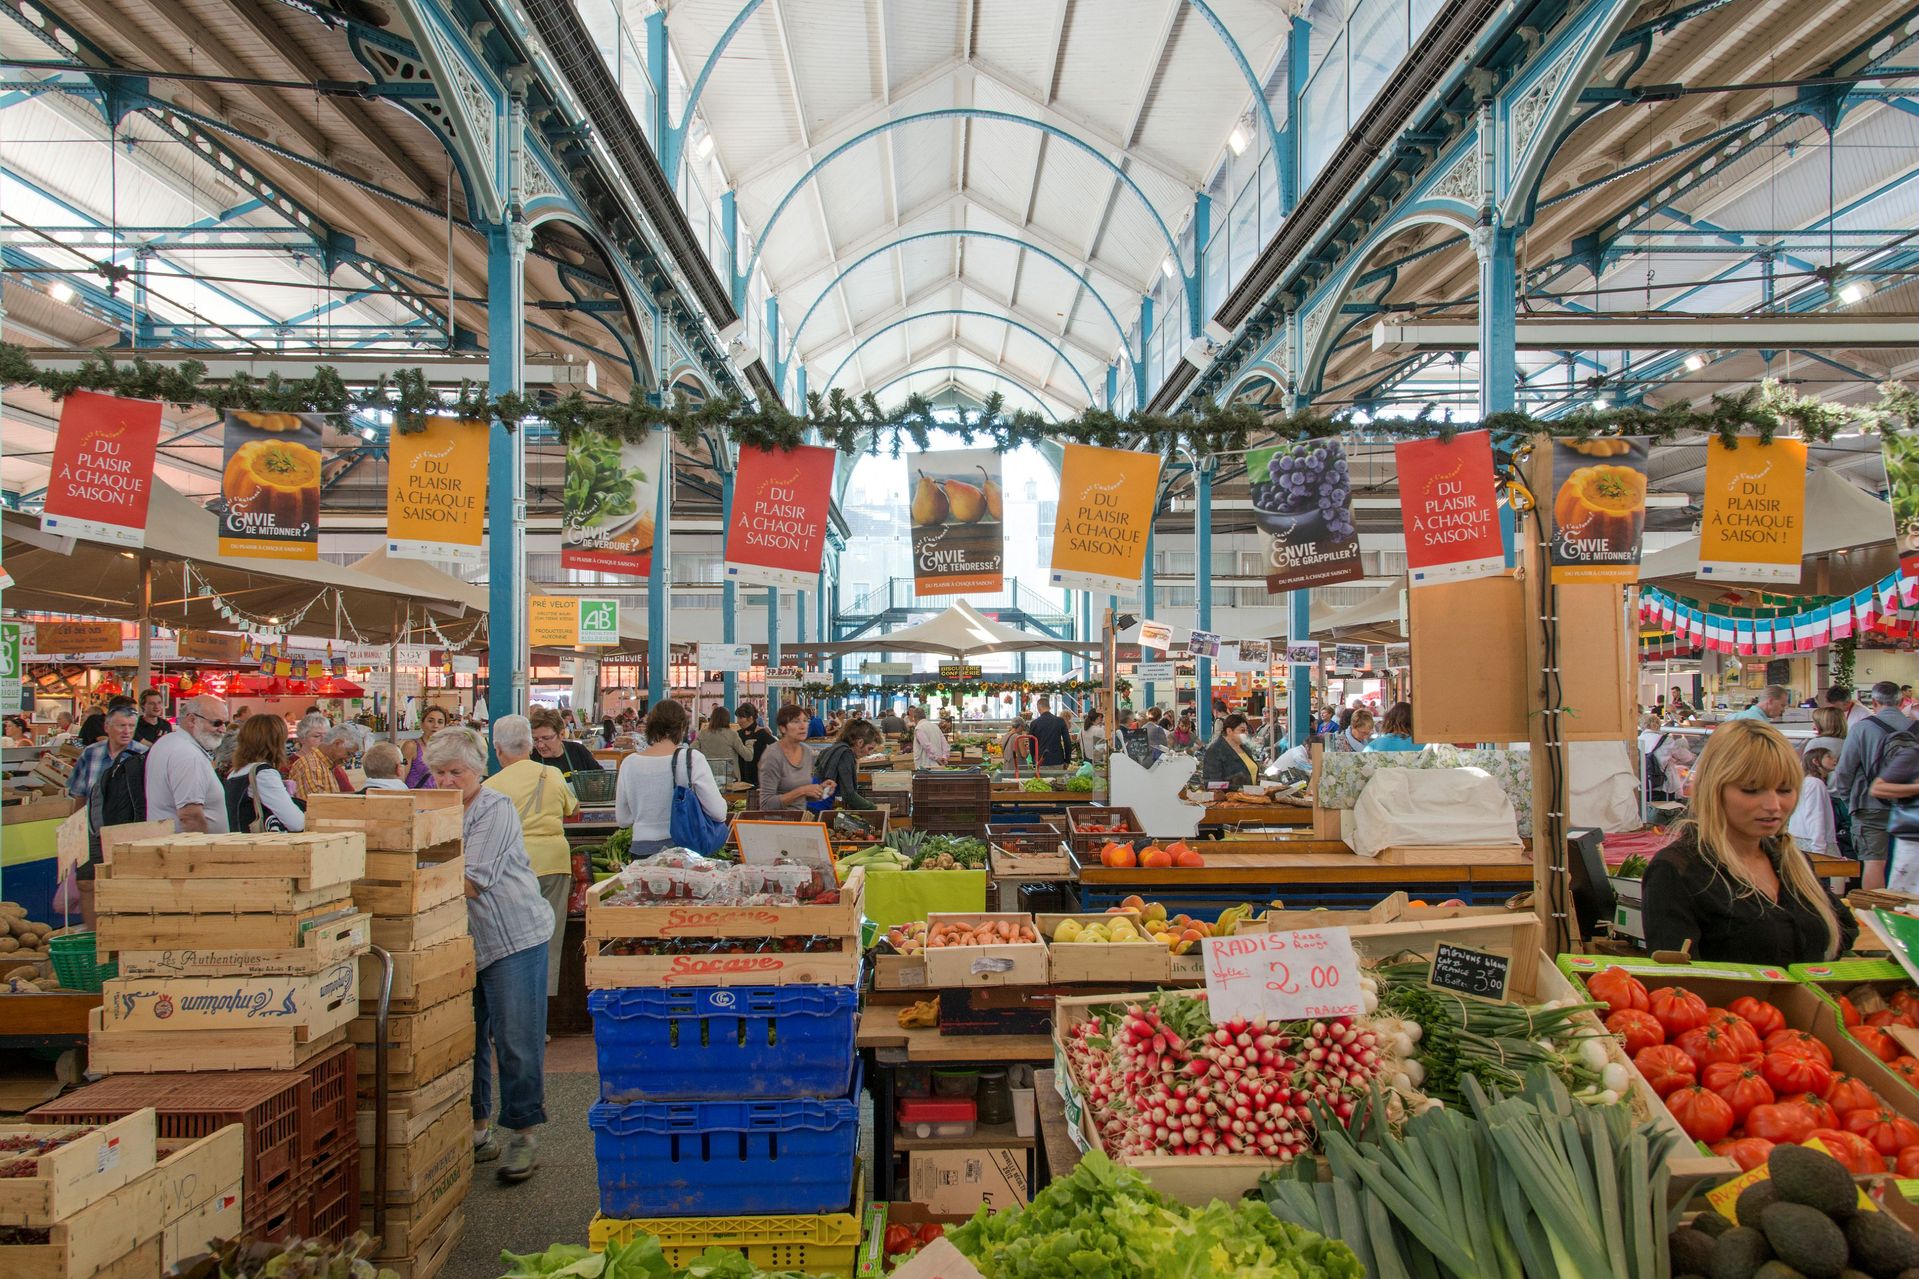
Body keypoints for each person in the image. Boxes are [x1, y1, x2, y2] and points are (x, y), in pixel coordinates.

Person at [425, 727, 548, 1182]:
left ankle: (523, 1134)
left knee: (516, 1039)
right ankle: (478, 1130)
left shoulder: (494, 808)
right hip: (459, 941)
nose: (446, 781)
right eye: (438, 772)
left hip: (513, 936)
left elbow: (473, 880)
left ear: (479, 769)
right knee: (466, 1038)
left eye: (456, 772)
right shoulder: (429, 809)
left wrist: (405, 880)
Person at [1642, 719, 1853, 964]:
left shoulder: (1792, 862)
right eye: (1752, 790)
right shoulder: (1677, 872)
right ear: (1715, 789)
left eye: (1785, 790)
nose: (1773, 806)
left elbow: (1844, 930)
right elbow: (1681, 988)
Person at [486, 715, 580, 1004]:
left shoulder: (491, 786)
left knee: (511, 941)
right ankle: (543, 1016)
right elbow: (572, 810)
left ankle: (512, 1009)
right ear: (530, 745)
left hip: (510, 868)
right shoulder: (549, 775)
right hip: (553, 863)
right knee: (549, 940)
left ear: (498, 748)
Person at [614, 700, 727, 857]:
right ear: (682, 727)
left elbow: (623, 819)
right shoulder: (691, 759)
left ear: (650, 726)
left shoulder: (629, 763)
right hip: (682, 852)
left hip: (641, 852)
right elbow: (718, 812)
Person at [1832, 680, 1915, 892]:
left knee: (1874, 863)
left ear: (1875, 701)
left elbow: (1844, 770)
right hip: (1911, 808)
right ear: (1899, 701)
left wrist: (1849, 799)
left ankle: (1873, 917)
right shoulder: (1915, 728)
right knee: (1908, 865)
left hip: (1869, 805)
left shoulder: (1862, 728)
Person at [144, 694, 230, 834]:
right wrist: (201, 853)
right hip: (183, 850)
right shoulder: (188, 755)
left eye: (225, 723)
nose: (223, 729)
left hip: (166, 845)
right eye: (216, 723)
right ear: (192, 720)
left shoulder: (169, 742)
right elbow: (190, 816)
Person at [223, 713, 305, 833]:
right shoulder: (263, 774)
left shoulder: (236, 772)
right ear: (276, 742)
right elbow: (296, 822)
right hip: (259, 846)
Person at [759, 704, 824, 810]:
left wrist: (820, 790)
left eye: (805, 720)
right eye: (796, 721)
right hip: (779, 822)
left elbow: (802, 797)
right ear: (783, 728)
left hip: (801, 821)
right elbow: (766, 804)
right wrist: (802, 791)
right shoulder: (773, 755)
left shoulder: (807, 751)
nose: (803, 726)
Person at [813, 720, 882, 811]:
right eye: (869, 748)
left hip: (815, 803)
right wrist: (874, 808)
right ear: (860, 742)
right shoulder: (845, 754)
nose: (869, 753)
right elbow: (848, 794)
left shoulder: (834, 749)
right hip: (817, 807)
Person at [1789, 747, 1840, 857]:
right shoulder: (1816, 784)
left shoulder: (1804, 783)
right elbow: (1815, 815)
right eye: (1829, 757)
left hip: (1800, 840)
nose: (1834, 760)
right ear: (1815, 761)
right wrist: (1819, 848)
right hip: (1814, 843)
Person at [529, 706, 603, 774]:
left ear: (561, 734)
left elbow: (600, 777)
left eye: (546, 738)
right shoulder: (531, 759)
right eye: (535, 739)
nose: (540, 745)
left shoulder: (578, 751)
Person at [287, 713, 341, 800]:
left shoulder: (331, 763)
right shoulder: (289, 764)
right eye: (316, 736)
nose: (323, 740)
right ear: (302, 738)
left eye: (327, 736)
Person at [695, 705, 753, 782]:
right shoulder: (732, 734)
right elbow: (748, 756)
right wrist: (749, 743)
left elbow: (692, 750)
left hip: (708, 778)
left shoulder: (702, 734)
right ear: (727, 719)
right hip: (730, 780)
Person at [1202, 713, 1259, 791]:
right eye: (1242, 730)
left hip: (1250, 798)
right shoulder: (1215, 751)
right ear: (1229, 731)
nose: (1246, 733)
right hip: (1229, 800)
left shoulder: (1245, 748)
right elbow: (1212, 784)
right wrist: (1237, 788)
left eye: (1246, 730)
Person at [403, 705, 450, 788]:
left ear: (445, 726)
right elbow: (401, 778)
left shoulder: (446, 749)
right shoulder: (411, 746)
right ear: (422, 724)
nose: (435, 725)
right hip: (415, 797)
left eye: (440, 722)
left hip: (439, 798)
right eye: (430, 721)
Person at [734, 704, 775, 787]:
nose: (738, 721)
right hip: (741, 777)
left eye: (741, 718)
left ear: (751, 718)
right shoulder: (738, 734)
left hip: (758, 776)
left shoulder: (762, 733)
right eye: (738, 718)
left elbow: (777, 747)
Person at [1027, 696, 1071, 767]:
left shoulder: (1034, 723)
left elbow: (1032, 745)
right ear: (1049, 707)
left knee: (1042, 778)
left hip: (1041, 761)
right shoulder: (1060, 721)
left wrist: (1034, 760)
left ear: (1038, 708)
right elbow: (1067, 742)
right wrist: (1067, 760)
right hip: (1058, 760)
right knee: (1058, 778)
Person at [908, 705, 949, 769]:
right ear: (925, 716)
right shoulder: (935, 726)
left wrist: (937, 758)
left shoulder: (919, 729)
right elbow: (945, 744)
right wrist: (944, 757)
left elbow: (927, 746)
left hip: (925, 767)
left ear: (914, 718)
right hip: (939, 765)